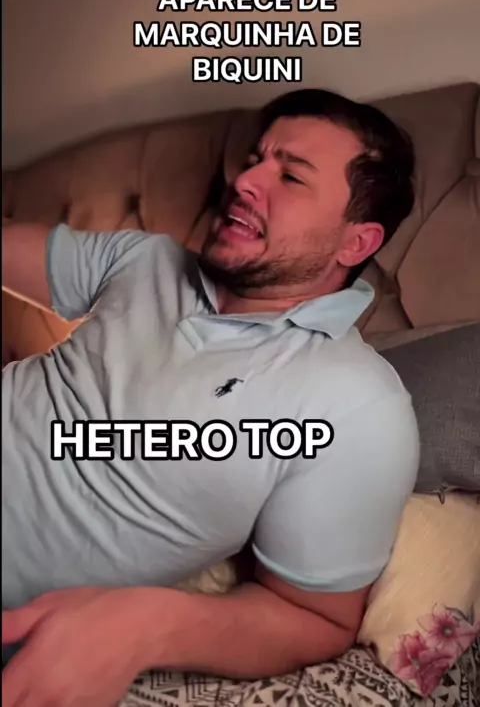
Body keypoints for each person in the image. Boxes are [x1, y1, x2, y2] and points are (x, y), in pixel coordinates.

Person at [1, 89, 420, 707]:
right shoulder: (143, 259)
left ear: (355, 244)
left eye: (290, 176)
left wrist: (142, 626)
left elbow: (315, 617)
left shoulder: (357, 405)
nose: (244, 181)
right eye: (254, 160)